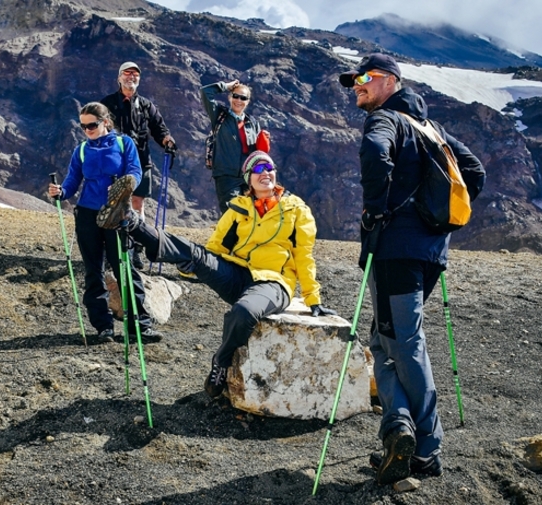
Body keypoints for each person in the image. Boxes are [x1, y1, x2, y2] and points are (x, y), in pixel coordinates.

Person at [339, 53, 486, 485]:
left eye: (364, 78)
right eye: (354, 81)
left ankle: (425, 447)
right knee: (385, 340)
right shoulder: (431, 128)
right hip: (429, 252)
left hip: (396, 252)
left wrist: (376, 211)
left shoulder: (386, 120)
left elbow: (374, 152)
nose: (357, 87)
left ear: (389, 81)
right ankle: (399, 429)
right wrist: (432, 219)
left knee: (403, 343)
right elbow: (473, 172)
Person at [96, 150, 337, 397]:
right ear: (248, 179)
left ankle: (221, 362)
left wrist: (313, 299)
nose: (264, 173)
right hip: (236, 273)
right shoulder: (238, 209)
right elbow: (213, 249)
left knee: (244, 312)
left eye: (268, 168)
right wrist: (191, 269)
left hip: (274, 283)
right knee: (194, 253)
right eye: (257, 169)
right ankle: (130, 219)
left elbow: (304, 256)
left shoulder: (296, 209)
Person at [47, 102, 163, 344]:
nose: (88, 129)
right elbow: (72, 180)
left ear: (105, 122)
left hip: (116, 212)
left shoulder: (123, 143)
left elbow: (135, 170)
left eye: (92, 124)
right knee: (93, 272)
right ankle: (103, 327)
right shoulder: (80, 150)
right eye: (83, 126)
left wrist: (126, 184)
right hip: (88, 215)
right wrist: (61, 191)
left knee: (125, 269)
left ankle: (138, 326)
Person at [100, 61, 176, 269]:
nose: (131, 77)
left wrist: (167, 141)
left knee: (137, 205)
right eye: (127, 73)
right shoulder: (106, 105)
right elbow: (97, 130)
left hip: (141, 163)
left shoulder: (146, 106)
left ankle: (134, 251)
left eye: (135, 75)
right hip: (115, 163)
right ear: (119, 78)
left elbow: (159, 129)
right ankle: (112, 252)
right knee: (114, 204)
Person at [200, 79, 270, 213]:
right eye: (235, 96)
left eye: (243, 98)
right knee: (231, 213)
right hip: (226, 175)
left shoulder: (252, 123)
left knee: (250, 214)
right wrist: (226, 86)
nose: (238, 100)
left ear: (248, 101)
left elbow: (257, 153)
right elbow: (205, 92)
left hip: (248, 176)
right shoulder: (219, 115)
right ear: (229, 97)